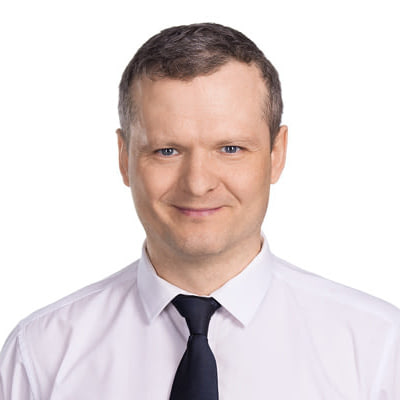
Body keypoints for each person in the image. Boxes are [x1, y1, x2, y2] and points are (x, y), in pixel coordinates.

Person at [0, 22, 399, 400]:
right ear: (124, 158)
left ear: (277, 154)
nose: (197, 183)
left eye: (230, 149)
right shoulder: (41, 354)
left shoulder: (379, 350)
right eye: (167, 151)